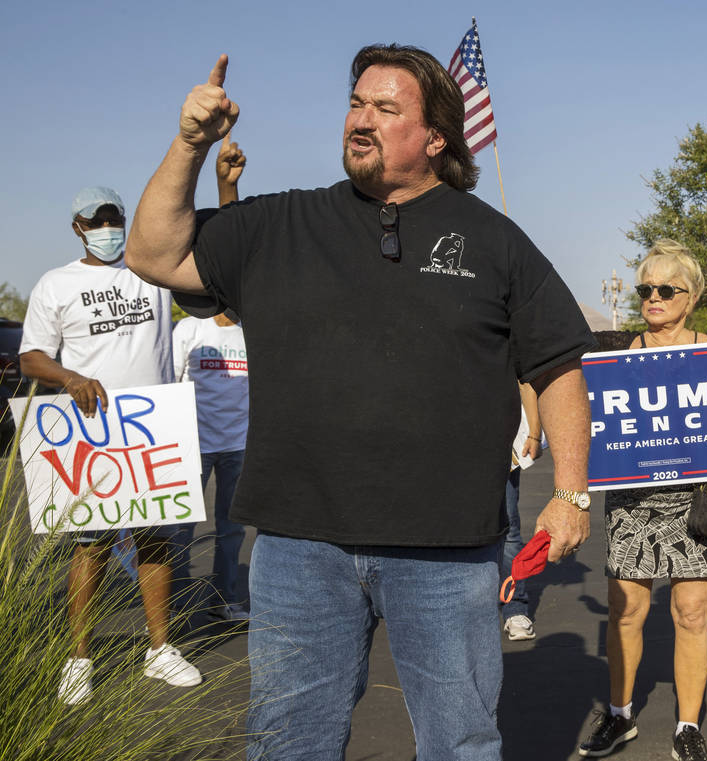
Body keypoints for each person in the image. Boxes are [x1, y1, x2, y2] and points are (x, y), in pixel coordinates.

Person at [125, 47, 594, 761]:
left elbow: (558, 363)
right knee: (287, 743)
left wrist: (570, 493)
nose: (361, 119)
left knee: (462, 743)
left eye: (386, 108)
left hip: (448, 553)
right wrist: (191, 143)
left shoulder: (494, 240)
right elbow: (154, 256)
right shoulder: (279, 225)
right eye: (355, 104)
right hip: (298, 548)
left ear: (435, 136)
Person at [20, 186, 201, 705]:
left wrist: (226, 184)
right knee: (92, 545)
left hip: (152, 431)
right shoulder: (56, 283)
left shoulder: (152, 271)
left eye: (112, 216)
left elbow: (203, 243)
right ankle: (79, 658)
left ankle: (160, 649)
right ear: (77, 227)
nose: (105, 227)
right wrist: (69, 376)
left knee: (154, 539)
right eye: (93, 219)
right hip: (95, 433)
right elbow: (32, 356)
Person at [578, 240, 707, 761]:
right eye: (646, 289)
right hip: (633, 497)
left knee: (692, 612)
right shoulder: (613, 350)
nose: (653, 297)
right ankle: (620, 715)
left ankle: (688, 726)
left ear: (692, 298)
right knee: (626, 611)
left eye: (667, 289)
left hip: (699, 499)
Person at [171, 135, 250, 622]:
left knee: (232, 531)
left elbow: (239, 244)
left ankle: (226, 601)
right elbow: (168, 386)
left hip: (240, 447)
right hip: (191, 446)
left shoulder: (252, 331)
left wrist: (229, 185)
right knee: (179, 532)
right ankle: (177, 606)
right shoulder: (188, 330)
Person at [500, 382, 542, 641]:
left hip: (500, 441)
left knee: (508, 531)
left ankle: (515, 608)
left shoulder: (504, 341)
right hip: (450, 443)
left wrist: (534, 433)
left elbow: (525, 381)